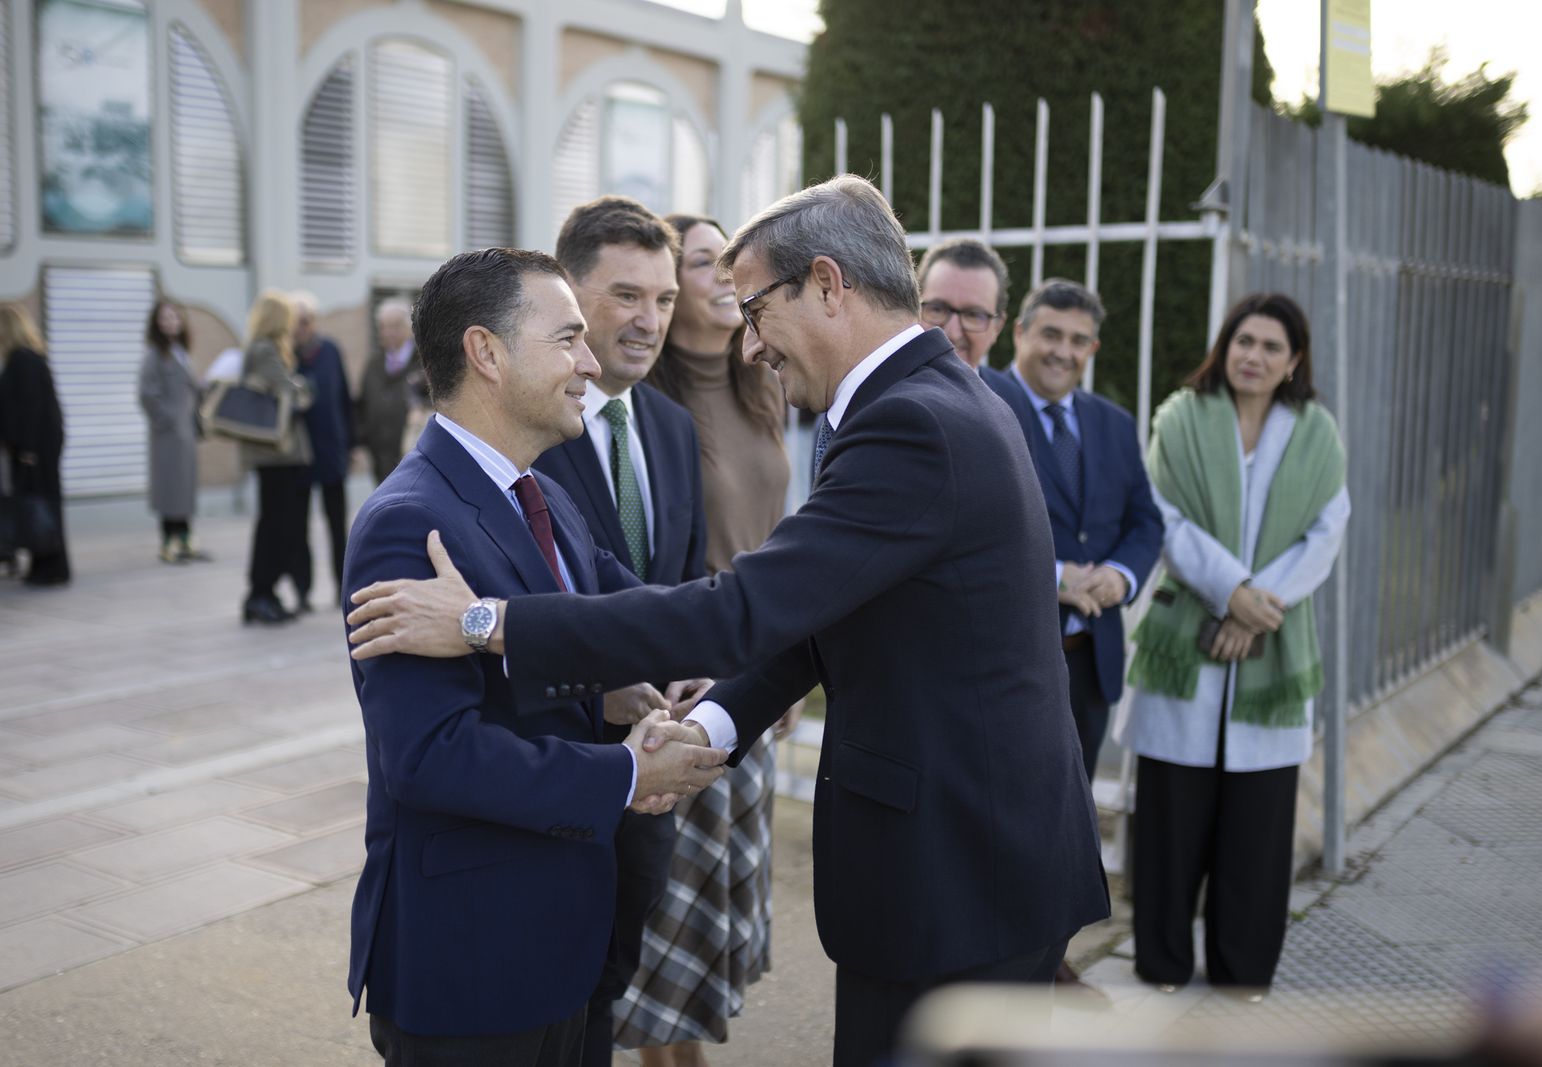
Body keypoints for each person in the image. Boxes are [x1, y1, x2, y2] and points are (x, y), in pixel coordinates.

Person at [345, 175, 1111, 1067]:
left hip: (960, 876)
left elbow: (742, 610)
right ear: (485, 352)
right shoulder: (930, 401)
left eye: (752, 311)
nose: (745, 345)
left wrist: (486, 622)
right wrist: (696, 728)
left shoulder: (912, 422)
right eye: (571, 335)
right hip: (963, 870)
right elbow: (817, 616)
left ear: (827, 284)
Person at [340, 246, 727, 1066]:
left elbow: (633, 620)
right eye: (568, 339)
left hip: (568, 946)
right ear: (487, 352)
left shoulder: (544, 492)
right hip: (476, 962)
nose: (591, 362)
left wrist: (623, 684)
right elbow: (428, 756)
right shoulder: (408, 522)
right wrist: (625, 775)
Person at [1121, 291, 1349, 998]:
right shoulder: (1180, 418)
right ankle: (1160, 963)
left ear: (1294, 362)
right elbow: (1164, 512)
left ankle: (1242, 969)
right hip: (1187, 633)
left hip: (1269, 642)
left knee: (1256, 834)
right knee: (1168, 823)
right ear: (1225, 346)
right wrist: (1231, 590)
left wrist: (1255, 609)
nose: (1253, 355)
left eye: (1271, 346)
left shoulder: (1316, 433)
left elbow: (1327, 529)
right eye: (1244, 340)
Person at [532, 196, 710, 1067]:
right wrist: (593, 688)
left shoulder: (675, 430)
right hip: (556, 773)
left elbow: (677, 592)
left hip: (652, 784)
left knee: (609, 982)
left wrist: (693, 674)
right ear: (568, 292)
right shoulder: (525, 432)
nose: (650, 322)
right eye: (627, 296)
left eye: (666, 298)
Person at [617, 212, 797, 1065]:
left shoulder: (762, 381)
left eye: (730, 264)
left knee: (717, 910)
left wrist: (785, 667)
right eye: (702, 263)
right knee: (670, 925)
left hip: (755, 672)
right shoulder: (651, 407)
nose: (726, 278)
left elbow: (782, 539)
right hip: (691, 685)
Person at [985, 279, 1162, 782]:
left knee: (1075, 812)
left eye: (1078, 340)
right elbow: (972, 528)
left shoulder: (1114, 423)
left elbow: (1145, 519)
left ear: (1093, 348)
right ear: (1018, 333)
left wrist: (1121, 575)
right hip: (1013, 655)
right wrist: (1053, 575)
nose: (1063, 352)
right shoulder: (982, 403)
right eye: (1051, 334)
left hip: (1091, 661)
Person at [240, 290, 313, 624]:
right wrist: (303, 388)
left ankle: (264, 593)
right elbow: (290, 394)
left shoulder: (262, 348)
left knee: (276, 525)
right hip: (277, 455)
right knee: (276, 527)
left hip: (277, 457)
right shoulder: (265, 349)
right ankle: (261, 594)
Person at [290, 290, 353, 612]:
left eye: (306, 320)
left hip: (330, 451)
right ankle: (302, 591)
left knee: (336, 525)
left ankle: (343, 587)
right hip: (298, 456)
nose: (302, 327)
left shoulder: (329, 351)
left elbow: (343, 398)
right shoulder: (286, 355)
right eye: (296, 321)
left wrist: (351, 444)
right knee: (297, 527)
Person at [0, 304, 70, 586]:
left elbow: (29, 409)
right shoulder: (28, 358)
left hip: (34, 450)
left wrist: (26, 449)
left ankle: (51, 567)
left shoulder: (23, 360)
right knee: (40, 504)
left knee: (39, 505)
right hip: (39, 447)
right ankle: (44, 564)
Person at [139, 299, 210, 564]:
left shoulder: (180, 352)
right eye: (165, 317)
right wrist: (167, 420)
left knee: (185, 488)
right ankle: (168, 542)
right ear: (156, 323)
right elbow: (147, 395)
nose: (170, 322)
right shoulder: (154, 356)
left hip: (186, 434)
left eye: (174, 317)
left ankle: (185, 539)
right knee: (170, 489)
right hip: (168, 436)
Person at [915, 237, 1009, 375]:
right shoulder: (878, 392)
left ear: (997, 327)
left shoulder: (1011, 395)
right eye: (937, 309)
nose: (953, 334)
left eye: (973, 315)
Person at [357, 297, 423, 487]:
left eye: (394, 326)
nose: (388, 333)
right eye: (384, 327)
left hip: (411, 453)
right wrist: (361, 441)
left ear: (408, 328)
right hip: (379, 454)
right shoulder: (374, 363)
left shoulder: (422, 362)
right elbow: (363, 404)